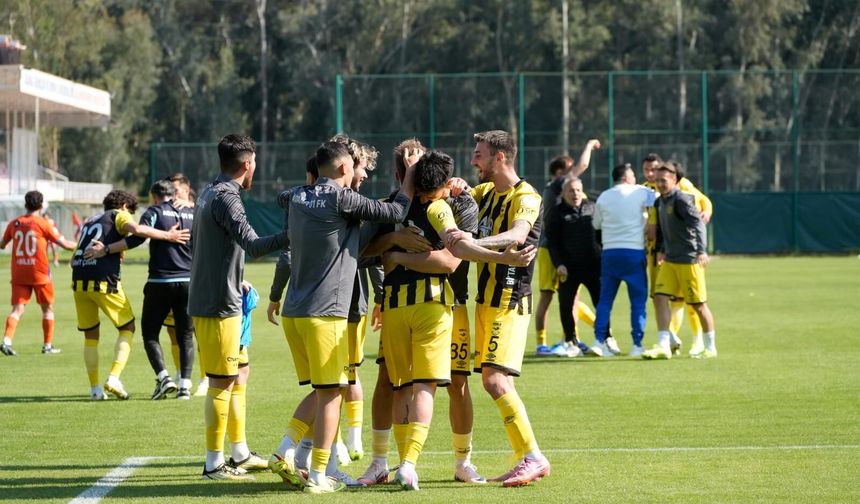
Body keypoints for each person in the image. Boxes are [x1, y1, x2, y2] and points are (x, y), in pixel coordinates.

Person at [270, 140, 412, 494]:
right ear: (344, 168)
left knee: (322, 391)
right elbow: (396, 212)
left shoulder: (298, 197)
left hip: (295, 312)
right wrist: (410, 176)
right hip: (326, 313)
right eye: (354, 166)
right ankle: (320, 474)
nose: (358, 172)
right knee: (334, 392)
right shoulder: (343, 198)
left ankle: (285, 450)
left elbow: (283, 197)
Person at [445, 130, 548, 487]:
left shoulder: (527, 195)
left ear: (499, 158)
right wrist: (454, 187)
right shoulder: (485, 192)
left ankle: (533, 457)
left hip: (510, 301)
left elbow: (517, 235)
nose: (473, 160)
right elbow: (451, 199)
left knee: (495, 380)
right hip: (484, 302)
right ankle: (528, 456)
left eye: (479, 155)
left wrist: (472, 242)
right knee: (492, 381)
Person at [187, 134, 288, 481]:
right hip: (217, 304)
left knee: (240, 372)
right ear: (247, 164)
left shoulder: (208, 191)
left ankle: (240, 453)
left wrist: (235, 276)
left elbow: (209, 245)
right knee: (222, 380)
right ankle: (213, 464)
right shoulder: (228, 198)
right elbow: (254, 245)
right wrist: (295, 233)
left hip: (222, 294)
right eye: (255, 163)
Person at [72, 190, 190, 400]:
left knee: (91, 337)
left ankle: (95, 390)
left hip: (79, 281)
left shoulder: (90, 220)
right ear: (125, 205)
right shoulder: (119, 215)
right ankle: (114, 377)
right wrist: (168, 235)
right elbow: (138, 231)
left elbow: (73, 259)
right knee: (128, 327)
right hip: (103, 281)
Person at [641, 154, 714, 355]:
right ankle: (664, 345)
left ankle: (709, 346)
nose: (660, 184)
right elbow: (664, 229)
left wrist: (701, 251)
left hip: (689, 259)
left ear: (675, 180)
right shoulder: (659, 202)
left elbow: (698, 224)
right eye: (658, 180)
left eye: (664, 180)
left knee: (698, 305)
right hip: (670, 259)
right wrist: (662, 250)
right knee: (659, 297)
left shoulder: (683, 199)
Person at [534, 140, 601, 356]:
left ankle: (571, 340)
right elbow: (581, 166)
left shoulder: (563, 190)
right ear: (561, 173)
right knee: (546, 295)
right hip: (549, 249)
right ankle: (541, 343)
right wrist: (589, 145)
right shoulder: (555, 187)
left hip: (568, 251)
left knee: (572, 297)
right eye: (570, 170)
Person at [592, 163, 657, 357]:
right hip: (634, 252)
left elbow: (596, 224)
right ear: (628, 177)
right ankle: (637, 345)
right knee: (638, 302)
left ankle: (598, 341)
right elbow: (660, 198)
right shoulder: (641, 191)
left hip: (610, 253)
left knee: (604, 301)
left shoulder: (604, 196)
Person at [1, 191, 77, 356]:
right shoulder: (43, 224)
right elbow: (65, 245)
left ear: (25, 205)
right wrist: (82, 245)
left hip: (19, 272)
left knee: (17, 310)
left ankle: (7, 341)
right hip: (39, 273)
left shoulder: (14, 223)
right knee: (48, 309)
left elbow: (2, 244)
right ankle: (47, 345)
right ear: (41, 206)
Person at [544, 175, 604, 357]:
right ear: (563, 193)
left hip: (594, 266)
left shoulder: (592, 207)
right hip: (568, 268)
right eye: (571, 190)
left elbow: (601, 236)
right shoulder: (555, 212)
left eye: (578, 190)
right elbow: (552, 243)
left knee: (601, 304)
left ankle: (604, 339)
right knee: (566, 305)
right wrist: (559, 264)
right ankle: (571, 342)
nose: (575, 193)